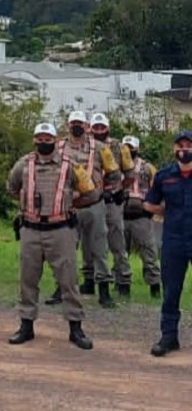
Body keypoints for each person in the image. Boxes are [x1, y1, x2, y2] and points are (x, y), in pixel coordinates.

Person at [7, 122, 96, 350]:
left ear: (56, 141)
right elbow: (11, 188)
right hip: (31, 229)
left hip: (60, 230)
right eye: (40, 138)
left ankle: (75, 328)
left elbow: (91, 191)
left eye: (48, 139)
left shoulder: (70, 165)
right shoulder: (24, 164)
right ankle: (26, 325)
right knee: (28, 279)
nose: (43, 142)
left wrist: (69, 203)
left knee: (68, 280)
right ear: (34, 139)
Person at [54, 109, 120, 309]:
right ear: (68, 125)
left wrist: (105, 189)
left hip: (94, 205)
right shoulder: (58, 147)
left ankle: (104, 291)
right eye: (73, 122)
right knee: (65, 249)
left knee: (99, 248)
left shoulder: (99, 147)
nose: (77, 126)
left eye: (81, 123)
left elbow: (115, 173)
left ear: (86, 126)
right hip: (68, 207)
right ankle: (61, 289)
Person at [144, 130, 192, 356]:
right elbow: (149, 204)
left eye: (188, 145)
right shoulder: (164, 175)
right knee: (171, 290)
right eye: (180, 145)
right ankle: (169, 337)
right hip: (173, 240)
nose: (184, 150)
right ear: (174, 149)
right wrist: (167, 212)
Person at [89, 112, 135, 298]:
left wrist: (120, 190)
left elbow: (131, 174)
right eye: (96, 127)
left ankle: (123, 280)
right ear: (90, 128)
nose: (99, 130)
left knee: (117, 241)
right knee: (92, 243)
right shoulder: (86, 147)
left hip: (111, 200)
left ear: (108, 127)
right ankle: (92, 279)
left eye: (102, 127)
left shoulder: (120, 147)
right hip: (90, 200)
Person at [121, 135, 161, 298]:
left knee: (149, 253)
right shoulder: (115, 167)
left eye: (131, 147)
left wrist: (151, 210)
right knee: (120, 254)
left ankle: (155, 288)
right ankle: (122, 287)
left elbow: (158, 189)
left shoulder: (147, 167)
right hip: (121, 216)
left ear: (137, 149)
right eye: (125, 147)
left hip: (142, 218)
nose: (128, 150)